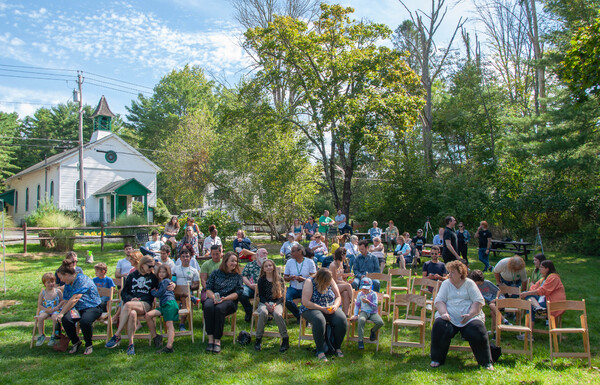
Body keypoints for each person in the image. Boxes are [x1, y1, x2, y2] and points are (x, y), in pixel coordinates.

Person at [430, 260, 494, 370]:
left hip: (469, 316)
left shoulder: (469, 283)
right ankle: (437, 359)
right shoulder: (446, 284)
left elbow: (478, 302)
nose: (449, 275)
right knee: (440, 326)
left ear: (460, 273)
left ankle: (486, 362)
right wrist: (444, 313)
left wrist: (470, 314)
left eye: (452, 273)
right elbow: (439, 301)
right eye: (449, 272)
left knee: (478, 329)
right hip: (449, 316)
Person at [106, 256, 166, 355]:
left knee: (128, 305)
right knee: (132, 313)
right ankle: (131, 345)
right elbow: (124, 293)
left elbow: (164, 283)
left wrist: (173, 284)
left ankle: (117, 335)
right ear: (142, 265)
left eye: (153, 266)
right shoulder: (131, 276)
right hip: (132, 303)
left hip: (145, 304)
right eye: (150, 266)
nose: (152, 268)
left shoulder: (153, 277)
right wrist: (130, 298)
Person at [56, 259, 103, 355]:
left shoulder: (82, 279)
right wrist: (61, 310)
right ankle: (75, 342)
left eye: (61, 278)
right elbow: (66, 300)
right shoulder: (68, 284)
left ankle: (88, 345)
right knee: (66, 319)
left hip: (92, 307)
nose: (61, 280)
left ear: (67, 275)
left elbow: (75, 298)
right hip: (78, 309)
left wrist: (61, 313)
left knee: (85, 321)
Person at [300, 268, 347, 361]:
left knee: (341, 319)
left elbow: (338, 296)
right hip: (311, 308)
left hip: (329, 306)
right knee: (319, 319)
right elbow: (305, 302)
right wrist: (322, 309)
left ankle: (337, 347)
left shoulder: (330, 280)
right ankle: (320, 350)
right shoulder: (309, 282)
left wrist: (335, 306)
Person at [204, 252, 243, 354]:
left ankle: (217, 340)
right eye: (232, 261)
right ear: (225, 262)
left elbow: (238, 293)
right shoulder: (216, 273)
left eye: (236, 261)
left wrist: (225, 299)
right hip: (214, 297)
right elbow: (208, 289)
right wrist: (214, 298)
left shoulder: (237, 276)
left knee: (219, 309)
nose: (234, 263)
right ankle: (210, 339)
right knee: (208, 307)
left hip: (229, 300)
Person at [254, 259, 289, 352]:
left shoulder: (279, 279)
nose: (268, 267)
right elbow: (261, 295)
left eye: (270, 265)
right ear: (263, 269)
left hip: (276, 303)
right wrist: (266, 304)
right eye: (266, 266)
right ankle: (258, 339)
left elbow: (282, 297)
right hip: (264, 303)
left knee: (277, 314)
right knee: (263, 312)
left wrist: (274, 304)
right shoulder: (261, 280)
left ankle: (285, 339)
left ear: (273, 267)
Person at [520, 260, 566, 329]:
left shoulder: (554, 278)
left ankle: (529, 333)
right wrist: (527, 293)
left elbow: (543, 291)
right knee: (528, 296)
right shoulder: (543, 279)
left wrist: (526, 293)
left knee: (530, 307)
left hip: (553, 304)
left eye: (541, 267)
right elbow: (533, 288)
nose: (539, 269)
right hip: (544, 301)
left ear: (547, 269)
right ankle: (538, 307)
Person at [145, 264, 179, 353]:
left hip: (169, 304)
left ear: (167, 273)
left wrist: (152, 291)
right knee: (148, 315)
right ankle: (156, 336)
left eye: (163, 272)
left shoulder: (166, 281)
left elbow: (159, 293)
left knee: (169, 325)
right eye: (160, 272)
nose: (161, 274)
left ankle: (169, 346)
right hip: (163, 306)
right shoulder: (161, 282)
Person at [284, 245, 317, 323]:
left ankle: (305, 316)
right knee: (287, 300)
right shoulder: (290, 262)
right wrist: (290, 278)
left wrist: (305, 279)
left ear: (300, 252)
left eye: (293, 251)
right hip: (293, 287)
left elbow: (314, 277)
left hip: (306, 288)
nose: (291, 253)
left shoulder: (309, 262)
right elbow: (285, 277)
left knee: (308, 300)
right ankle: (299, 315)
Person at [349, 277, 384, 349]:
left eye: (366, 289)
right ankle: (360, 340)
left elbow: (375, 307)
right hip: (364, 312)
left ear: (370, 287)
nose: (364, 290)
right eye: (363, 288)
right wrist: (355, 315)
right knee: (361, 320)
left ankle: (373, 330)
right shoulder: (360, 294)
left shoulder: (373, 294)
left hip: (373, 312)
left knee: (380, 322)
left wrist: (368, 302)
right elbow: (357, 305)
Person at [172, 245, 201, 330]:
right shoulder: (175, 269)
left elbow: (197, 285)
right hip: (175, 292)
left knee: (184, 298)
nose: (185, 258)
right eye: (183, 257)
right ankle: (192, 298)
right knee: (184, 296)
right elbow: (172, 281)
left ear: (190, 258)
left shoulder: (194, 271)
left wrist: (189, 287)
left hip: (187, 292)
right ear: (180, 258)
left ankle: (182, 324)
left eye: (187, 256)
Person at [35, 272, 63, 347]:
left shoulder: (58, 291)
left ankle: (53, 335)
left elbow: (62, 301)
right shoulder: (43, 293)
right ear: (44, 284)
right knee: (40, 317)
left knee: (55, 318)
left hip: (55, 309)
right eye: (48, 282)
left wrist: (58, 307)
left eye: (52, 282)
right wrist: (46, 310)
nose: (51, 284)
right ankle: (41, 335)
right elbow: (39, 304)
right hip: (46, 309)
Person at [240, 248, 267, 322]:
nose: (265, 255)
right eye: (263, 253)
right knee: (241, 292)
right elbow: (244, 276)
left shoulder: (268, 265)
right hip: (250, 287)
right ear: (257, 255)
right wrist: (250, 285)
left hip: (265, 289)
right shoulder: (250, 265)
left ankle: (266, 313)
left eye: (266, 254)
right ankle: (249, 311)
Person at [328, 247, 353, 315]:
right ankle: (354, 301)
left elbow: (340, 276)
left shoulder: (341, 263)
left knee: (345, 293)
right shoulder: (333, 266)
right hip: (332, 286)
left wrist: (348, 275)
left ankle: (346, 314)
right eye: (345, 255)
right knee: (348, 286)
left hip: (339, 284)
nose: (346, 256)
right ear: (342, 255)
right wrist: (346, 283)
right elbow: (334, 281)